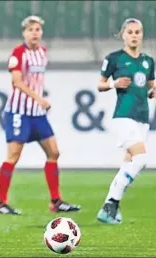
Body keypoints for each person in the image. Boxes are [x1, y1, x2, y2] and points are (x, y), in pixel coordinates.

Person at [0, 15, 81, 215]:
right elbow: (17, 82)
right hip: (19, 111)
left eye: (38, 30)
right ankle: (1, 203)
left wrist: (39, 102)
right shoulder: (18, 53)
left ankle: (55, 201)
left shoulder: (42, 52)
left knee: (54, 153)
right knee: (13, 156)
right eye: (31, 29)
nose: (35, 33)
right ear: (24, 32)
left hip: (37, 114)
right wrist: (39, 98)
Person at [97, 18, 155, 224]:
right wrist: (114, 83)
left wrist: (152, 90)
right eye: (130, 32)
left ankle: (109, 208)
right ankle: (111, 202)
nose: (134, 35)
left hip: (142, 118)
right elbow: (100, 85)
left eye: (138, 32)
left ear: (142, 34)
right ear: (123, 34)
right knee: (141, 160)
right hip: (123, 116)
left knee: (129, 163)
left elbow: (151, 86)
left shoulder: (148, 61)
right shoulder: (114, 59)